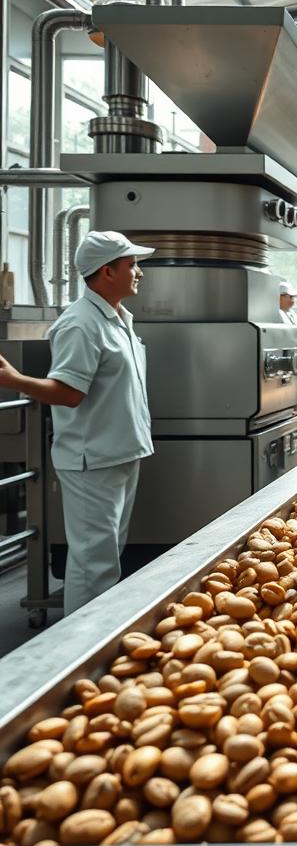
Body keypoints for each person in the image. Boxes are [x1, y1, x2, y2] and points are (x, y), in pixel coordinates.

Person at [0, 231, 154, 614]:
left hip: (121, 451)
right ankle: (80, 652)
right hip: (92, 460)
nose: (139, 272)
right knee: (93, 563)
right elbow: (68, 392)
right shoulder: (80, 324)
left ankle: (99, 642)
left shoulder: (119, 318)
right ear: (107, 271)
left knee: (108, 555)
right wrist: (14, 381)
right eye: (132, 265)